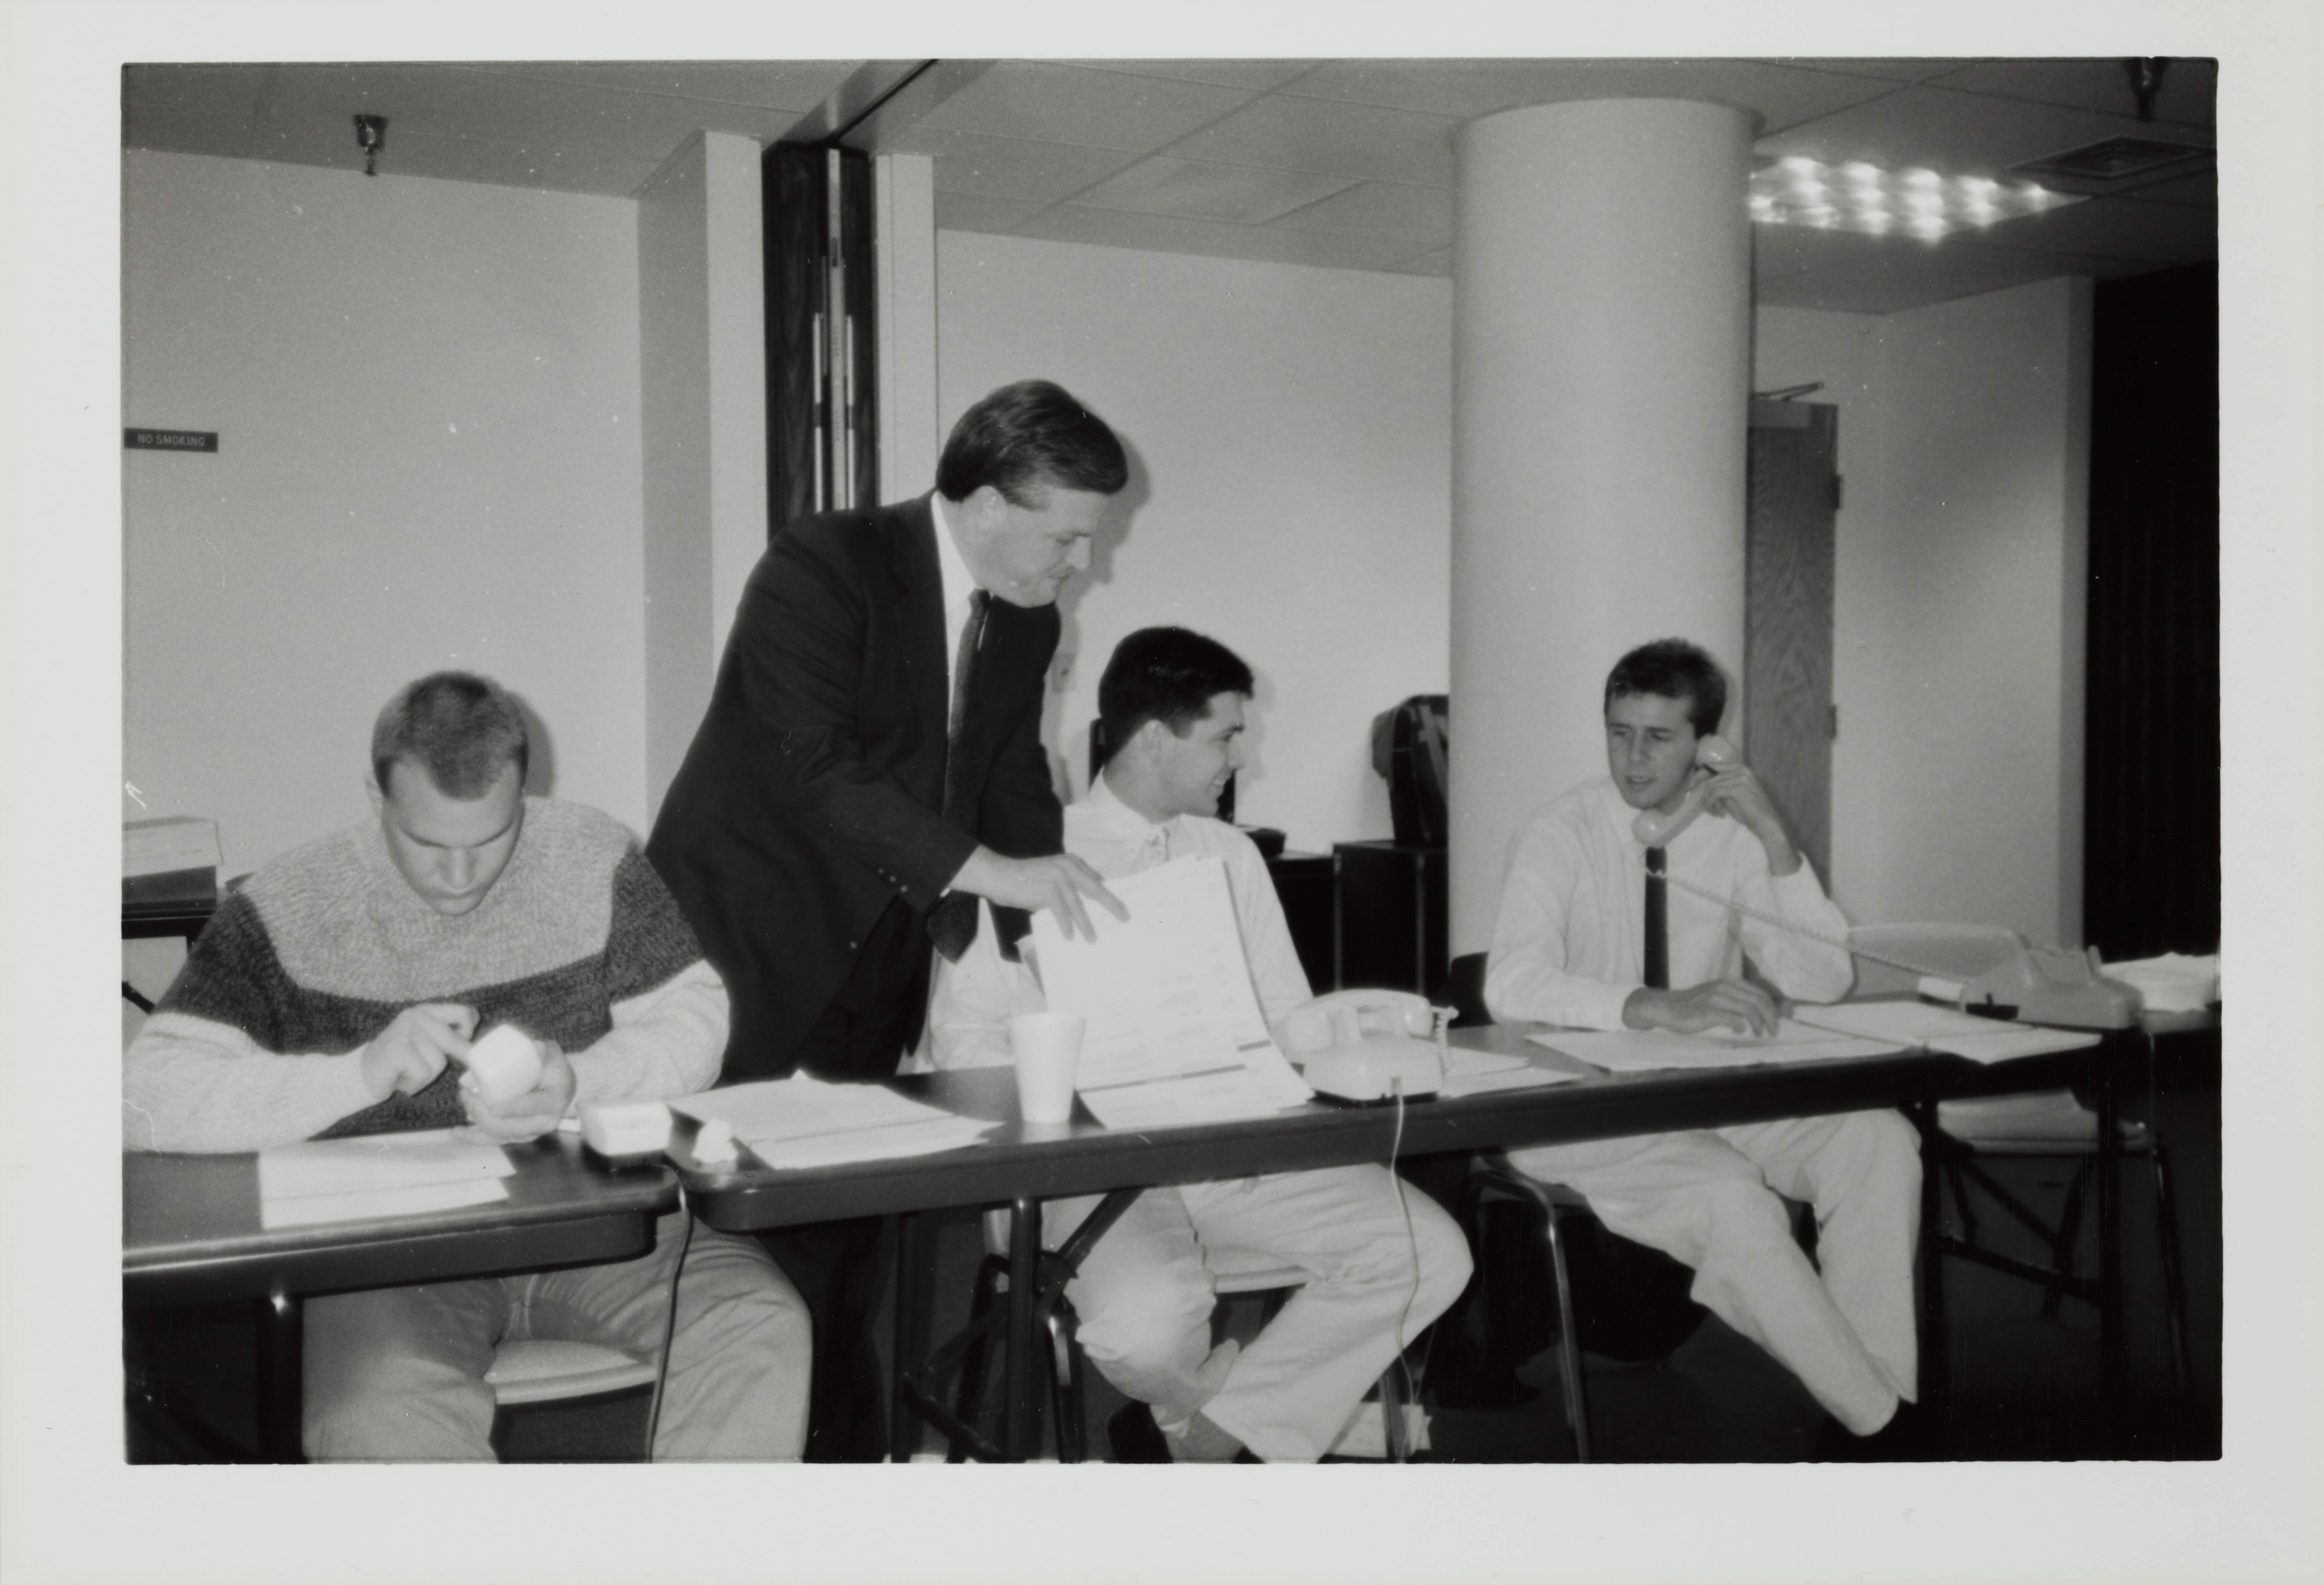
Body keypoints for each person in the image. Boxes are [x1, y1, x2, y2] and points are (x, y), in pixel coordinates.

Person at [122, 672, 812, 1461]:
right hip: (393, 1256)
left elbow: (694, 1020)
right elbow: (146, 1094)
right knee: (377, 1416)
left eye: (492, 839)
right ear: (374, 796)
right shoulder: (288, 904)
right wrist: (358, 1072)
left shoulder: (591, 855)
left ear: (527, 791)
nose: (461, 878)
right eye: (427, 844)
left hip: (606, 1223)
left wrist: (579, 1081)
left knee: (761, 1329)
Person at [647, 379, 1131, 1460]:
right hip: (747, 939)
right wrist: (984, 870)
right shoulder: (826, 563)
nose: (1080, 564)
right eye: (1066, 536)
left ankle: (838, 1461)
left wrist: (1049, 920)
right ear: (990, 504)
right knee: (755, 1229)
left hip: (884, 942)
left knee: (849, 1224)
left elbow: (1003, 769)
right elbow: (811, 761)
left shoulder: (1028, 617)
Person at [928, 628, 1473, 1462]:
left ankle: (1206, 1434)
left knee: (1427, 1249)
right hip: (1088, 1171)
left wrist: (1363, 1031)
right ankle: (1207, 1425)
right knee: (1148, 1331)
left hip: (1232, 1154)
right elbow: (958, 1045)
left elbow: (1286, 1014)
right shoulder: (1021, 853)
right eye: (1223, 735)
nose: (1239, 759)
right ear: (1153, 737)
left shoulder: (1228, 854)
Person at [1484, 638, 1923, 1454]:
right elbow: (1508, 982)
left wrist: (1772, 836)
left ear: (1705, 747)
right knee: (1733, 1198)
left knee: (1878, 1139)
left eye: (1658, 736)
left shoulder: (1728, 836)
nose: (1632, 757)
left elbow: (1822, 977)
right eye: (1618, 732)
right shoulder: (1558, 830)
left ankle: (1878, 1393)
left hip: (1709, 1087)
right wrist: (1651, 1005)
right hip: (1587, 1112)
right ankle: (1886, 1428)